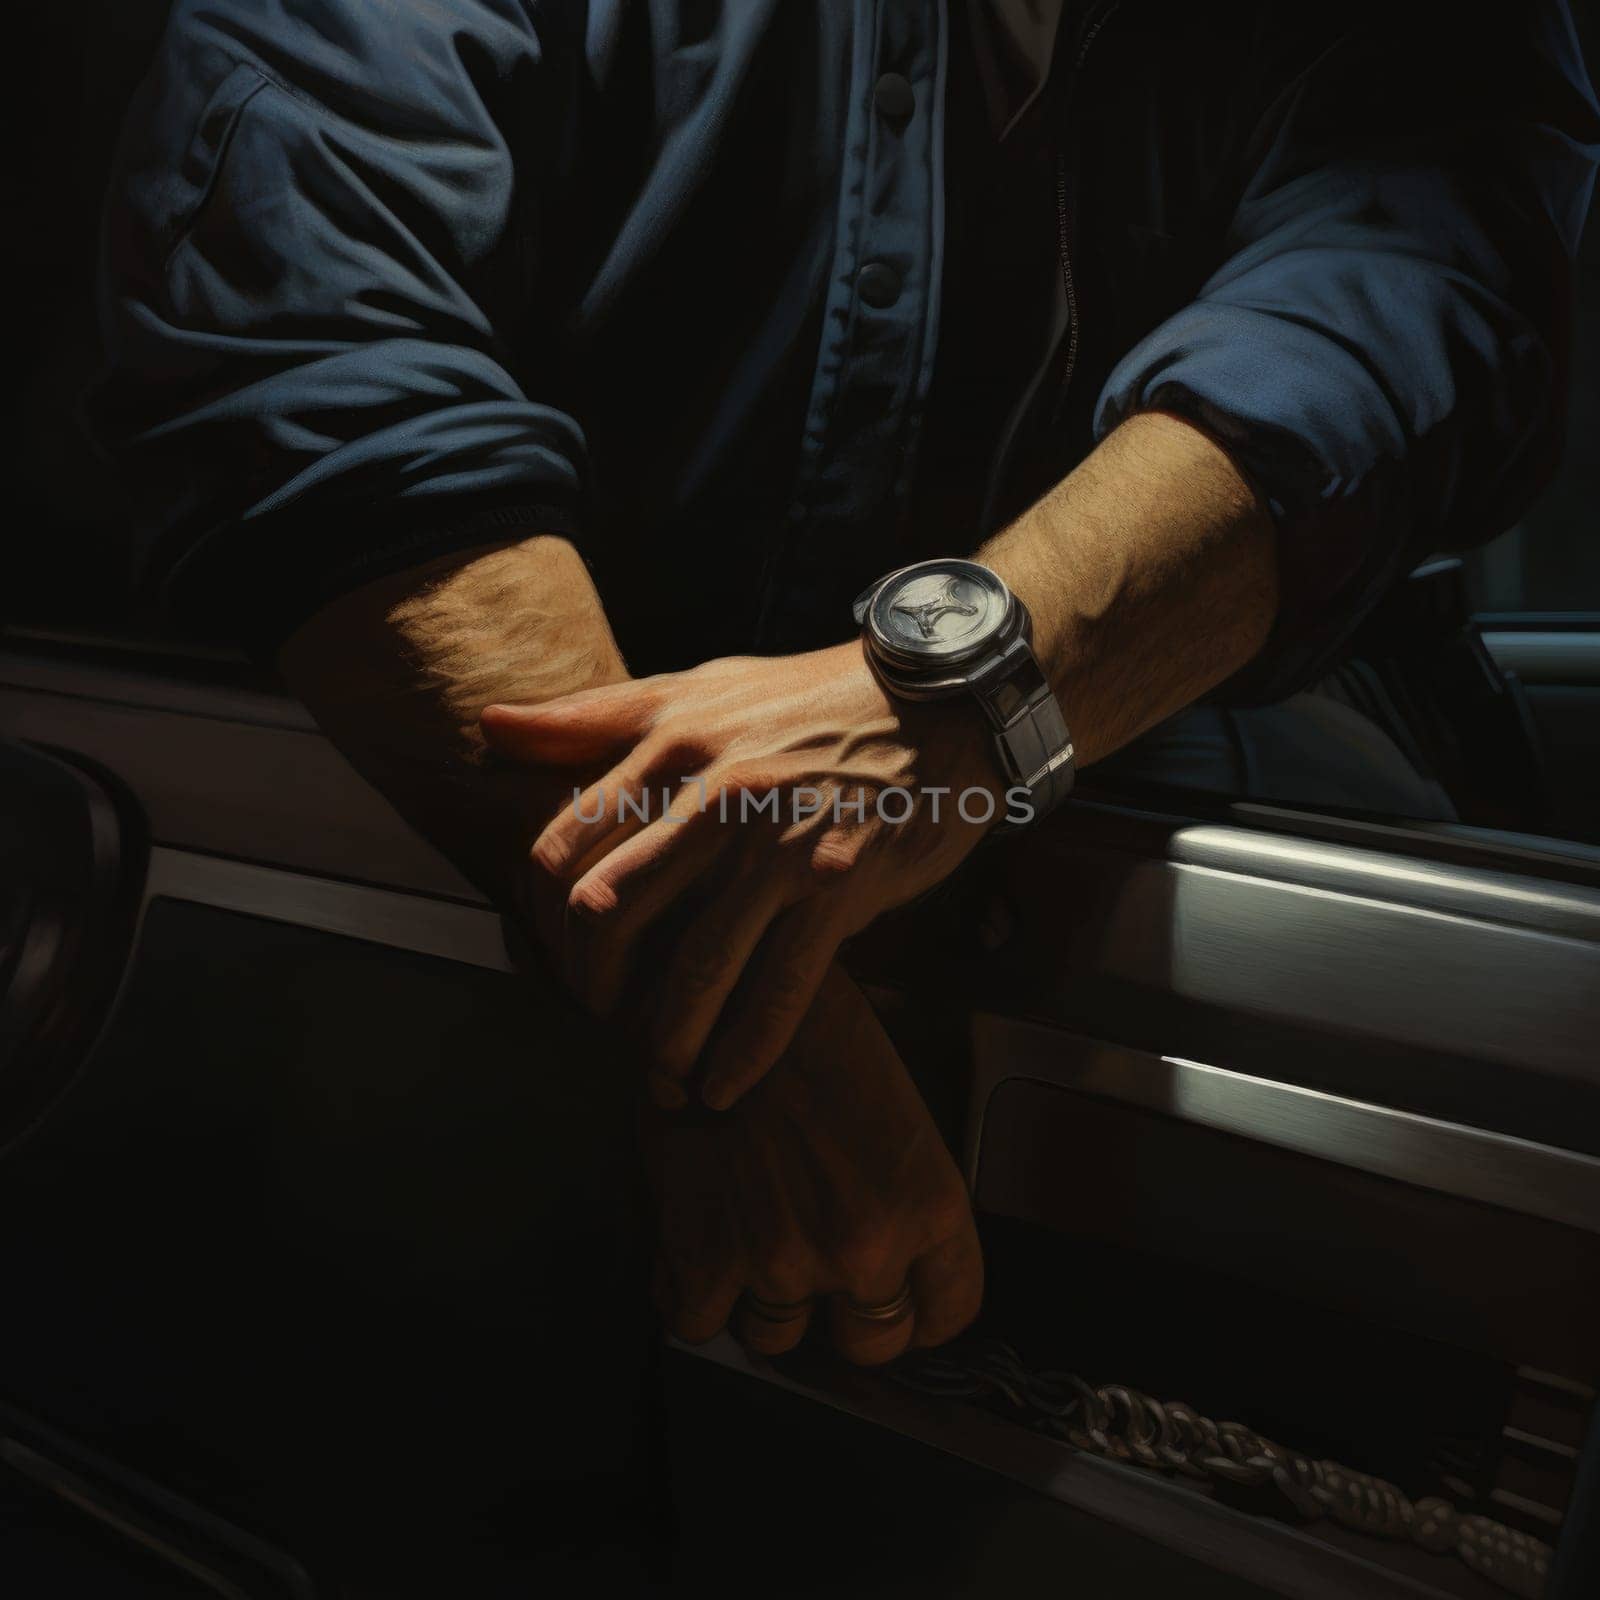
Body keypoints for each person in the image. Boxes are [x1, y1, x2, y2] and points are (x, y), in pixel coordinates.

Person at [88, 0, 1596, 1558]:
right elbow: (307, 355)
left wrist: (936, 715)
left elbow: (1396, 327)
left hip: (1169, 979)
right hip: (435, 1093)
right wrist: (754, 1024)